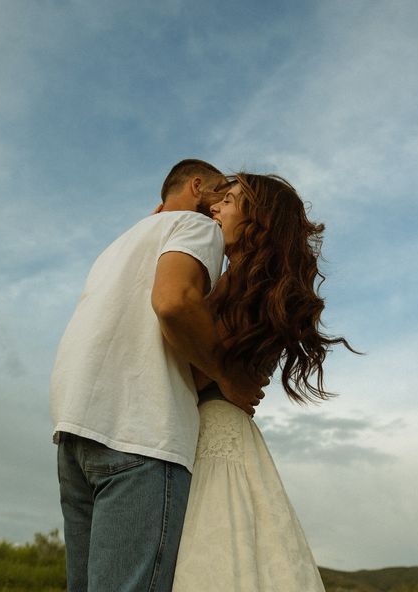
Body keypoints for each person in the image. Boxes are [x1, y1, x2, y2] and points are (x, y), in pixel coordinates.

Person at [49, 160, 265, 592]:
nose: (219, 208)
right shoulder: (197, 228)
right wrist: (228, 377)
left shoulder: (120, 244)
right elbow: (173, 302)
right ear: (197, 186)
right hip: (141, 433)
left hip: (74, 432)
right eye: (220, 194)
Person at [172, 173, 355, 591]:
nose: (214, 208)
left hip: (214, 433)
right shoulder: (245, 283)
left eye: (230, 202)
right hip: (211, 428)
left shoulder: (251, 289)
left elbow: (196, 374)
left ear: (260, 220)